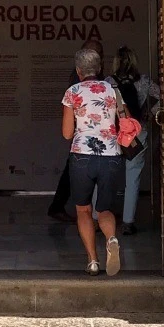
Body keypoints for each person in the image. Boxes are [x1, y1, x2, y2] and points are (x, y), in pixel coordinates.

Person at [61, 45, 123, 276]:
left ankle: (93, 260)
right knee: (105, 208)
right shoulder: (112, 89)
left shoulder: (73, 92)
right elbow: (123, 119)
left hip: (82, 156)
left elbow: (67, 133)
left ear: (79, 70)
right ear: (99, 68)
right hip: (111, 155)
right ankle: (112, 238)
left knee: (83, 210)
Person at [47, 35, 103, 223]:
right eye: (93, 51)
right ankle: (68, 207)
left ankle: (89, 211)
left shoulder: (92, 78)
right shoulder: (78, 79)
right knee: (74, 171)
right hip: (83, 135)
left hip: (91, 137)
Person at [112, 45, 160, 236]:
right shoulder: (145, 82)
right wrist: (150, 113)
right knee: (132, 177)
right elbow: (161, 97)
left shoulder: (109, 83)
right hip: (137, 131)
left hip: (114, 132)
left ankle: (98, 218)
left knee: (104, 176)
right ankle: (128, 221)